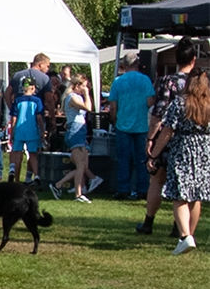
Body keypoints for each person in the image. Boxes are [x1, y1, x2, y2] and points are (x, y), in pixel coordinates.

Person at [139, 37, 200, 235]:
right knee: (191, 188)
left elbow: (158, 113)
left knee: (157, 180)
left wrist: (151, 139)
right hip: (194, 140)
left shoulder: (168, 82)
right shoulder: (201, 84)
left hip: (168, 137)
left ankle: (149, 221)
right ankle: (182, 228)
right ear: (194, 59)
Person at [147, 67, 210, 254]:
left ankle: (184, 236)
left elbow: (167, 131)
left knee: (179, 194)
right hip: (205, 151)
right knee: (195, 195)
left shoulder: (180, 103)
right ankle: (190, 234)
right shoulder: (208, 104)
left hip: (183, 149)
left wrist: (154, 153)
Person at [106, 52, 153, 200]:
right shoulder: (145, 80)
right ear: (137, 64)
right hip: (142, 125)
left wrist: (114, 120)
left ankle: (123, 189)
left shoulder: (118, 82)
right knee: (141, 159)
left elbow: (112, 106)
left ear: (124, 65)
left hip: (123, 124)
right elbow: (150, 102)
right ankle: (142, 189)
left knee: (123, 159)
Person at [51, 74, 102, 202]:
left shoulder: (76, 97)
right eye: (83, 86)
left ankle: (59, 185)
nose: (86, 88)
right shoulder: (72, 97)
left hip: (80, 130)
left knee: (83, 165)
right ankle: (78, 194)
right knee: (80, 165)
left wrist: (85, 94)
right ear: (77, 86)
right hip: (75, 131)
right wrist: (86, 94)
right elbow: (89, 108)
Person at [9, 77, 46, 183]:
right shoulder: (37, 101)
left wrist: (12, 131)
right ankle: (36, 175)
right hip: (32, 130)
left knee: (17, 153)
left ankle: (14, 175)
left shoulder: (18, 100)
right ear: (33, 88)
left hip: (20, 130)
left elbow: (14, 118)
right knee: (33, 154)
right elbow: (39, 117)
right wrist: (42, 130)